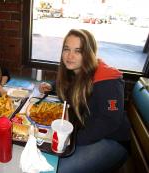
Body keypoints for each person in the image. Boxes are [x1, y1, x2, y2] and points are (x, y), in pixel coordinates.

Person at [41, 29, 130, 173]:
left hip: (112, 140)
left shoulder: (108, 81)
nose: (70, 56)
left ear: (88, 53)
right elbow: (71, 85)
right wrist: (51, 85)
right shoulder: (76, 70)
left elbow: (110, 122)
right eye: (67, 49)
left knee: (56, 169)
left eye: (78, 51)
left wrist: (72, 140)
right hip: (83, 131)